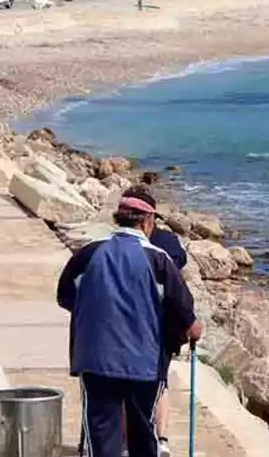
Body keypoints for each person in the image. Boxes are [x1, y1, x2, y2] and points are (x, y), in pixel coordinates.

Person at [57, 193, 202, 457]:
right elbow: (184, 313)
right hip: (144, 363)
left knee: (101, 433)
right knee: (143, 431)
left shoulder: (89, 252)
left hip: (96, 358)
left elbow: (66, 296)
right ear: (146, 222)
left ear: (118, 219)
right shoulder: (159, 259)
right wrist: (192, 329)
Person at [118, 185, 186, 456]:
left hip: (130, 324)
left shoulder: (120, 244)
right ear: (150, 217)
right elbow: (179, 269)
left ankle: (127, 442)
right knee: (160, 382)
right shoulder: (167, 243)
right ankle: (162, 439)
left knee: (126, 386)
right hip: (163, 326)